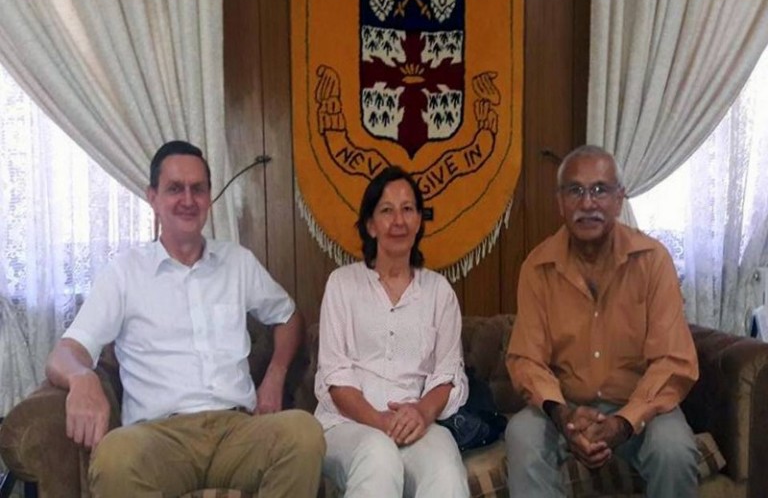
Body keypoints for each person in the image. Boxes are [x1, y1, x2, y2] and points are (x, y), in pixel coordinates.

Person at [45, 140, 325, 497]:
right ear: (153, 197)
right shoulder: (125, 273)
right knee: (114, 457)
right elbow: (65, 352)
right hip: (159, 438)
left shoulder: (238, 262)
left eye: (198, 189)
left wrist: (275, 375)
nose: (188, 200)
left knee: (304, 434)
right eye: (175, 188)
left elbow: (288, 316)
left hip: (237, 431)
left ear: (209, 197)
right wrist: (82, 378)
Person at [504, 145, 700, 498]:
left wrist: (624, 423)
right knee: (522, 434)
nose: (587, 203)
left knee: (675, 450)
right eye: (575, 191)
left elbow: (673, 360)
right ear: (560, 202)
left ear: (619, 199)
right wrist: (563, 416)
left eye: (600, 190)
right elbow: (526, 359)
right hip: (566, 406)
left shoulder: (653, 260)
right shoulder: (537, 267)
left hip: (640, 404)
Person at [314, 166, 470, 497]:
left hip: (416, 422)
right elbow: (336, 377)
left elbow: (446, 375)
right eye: (387, 210)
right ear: (371, 225)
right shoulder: (342, 284)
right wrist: (379, 421)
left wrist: (421, 413)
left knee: (445, 470)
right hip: (348, 425)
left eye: (408, 209)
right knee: (378, 455)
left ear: (419, 221)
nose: (399, 221)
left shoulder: (439, 292)